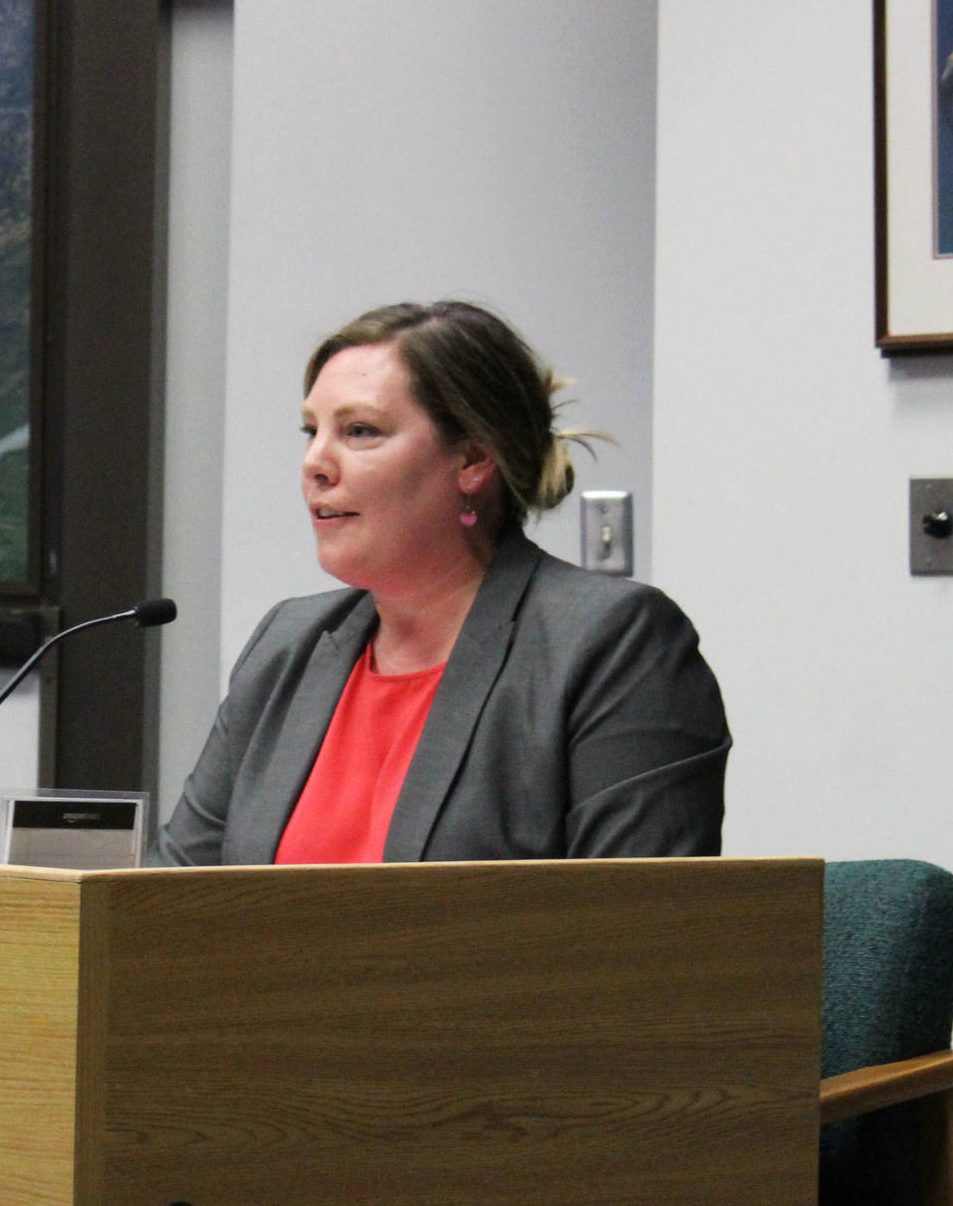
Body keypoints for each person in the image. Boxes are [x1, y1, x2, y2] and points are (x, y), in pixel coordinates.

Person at [158, 301, 729, 866]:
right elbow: (168, 900)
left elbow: (635, 930)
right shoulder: (289, 644)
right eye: (311, 431)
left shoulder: (611, 644)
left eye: (359, 431)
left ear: (473, 460)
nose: (315, 463)